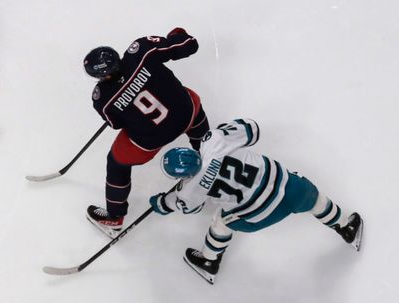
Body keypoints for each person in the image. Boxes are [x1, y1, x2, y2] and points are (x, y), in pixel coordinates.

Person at [149, 118, 364, 284]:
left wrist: (160, 203)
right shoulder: (213, 141)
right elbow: (252, 129)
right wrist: (224, 132)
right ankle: (346, 227)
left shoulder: (189, 190)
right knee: (315, 199)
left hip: (255, 216)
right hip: (288, 188)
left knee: (221, 222)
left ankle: (209, 261)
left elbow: (186, 207)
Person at [84, 27, 210, 236]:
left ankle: (114, 217)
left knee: (116, 162)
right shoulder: (141, 50)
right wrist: (176, 36)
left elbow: (115, 124)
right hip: (187, 114)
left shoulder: (102, 99)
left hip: (153, 138)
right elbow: (189, 45)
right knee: (190, 103)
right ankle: (209, 156)